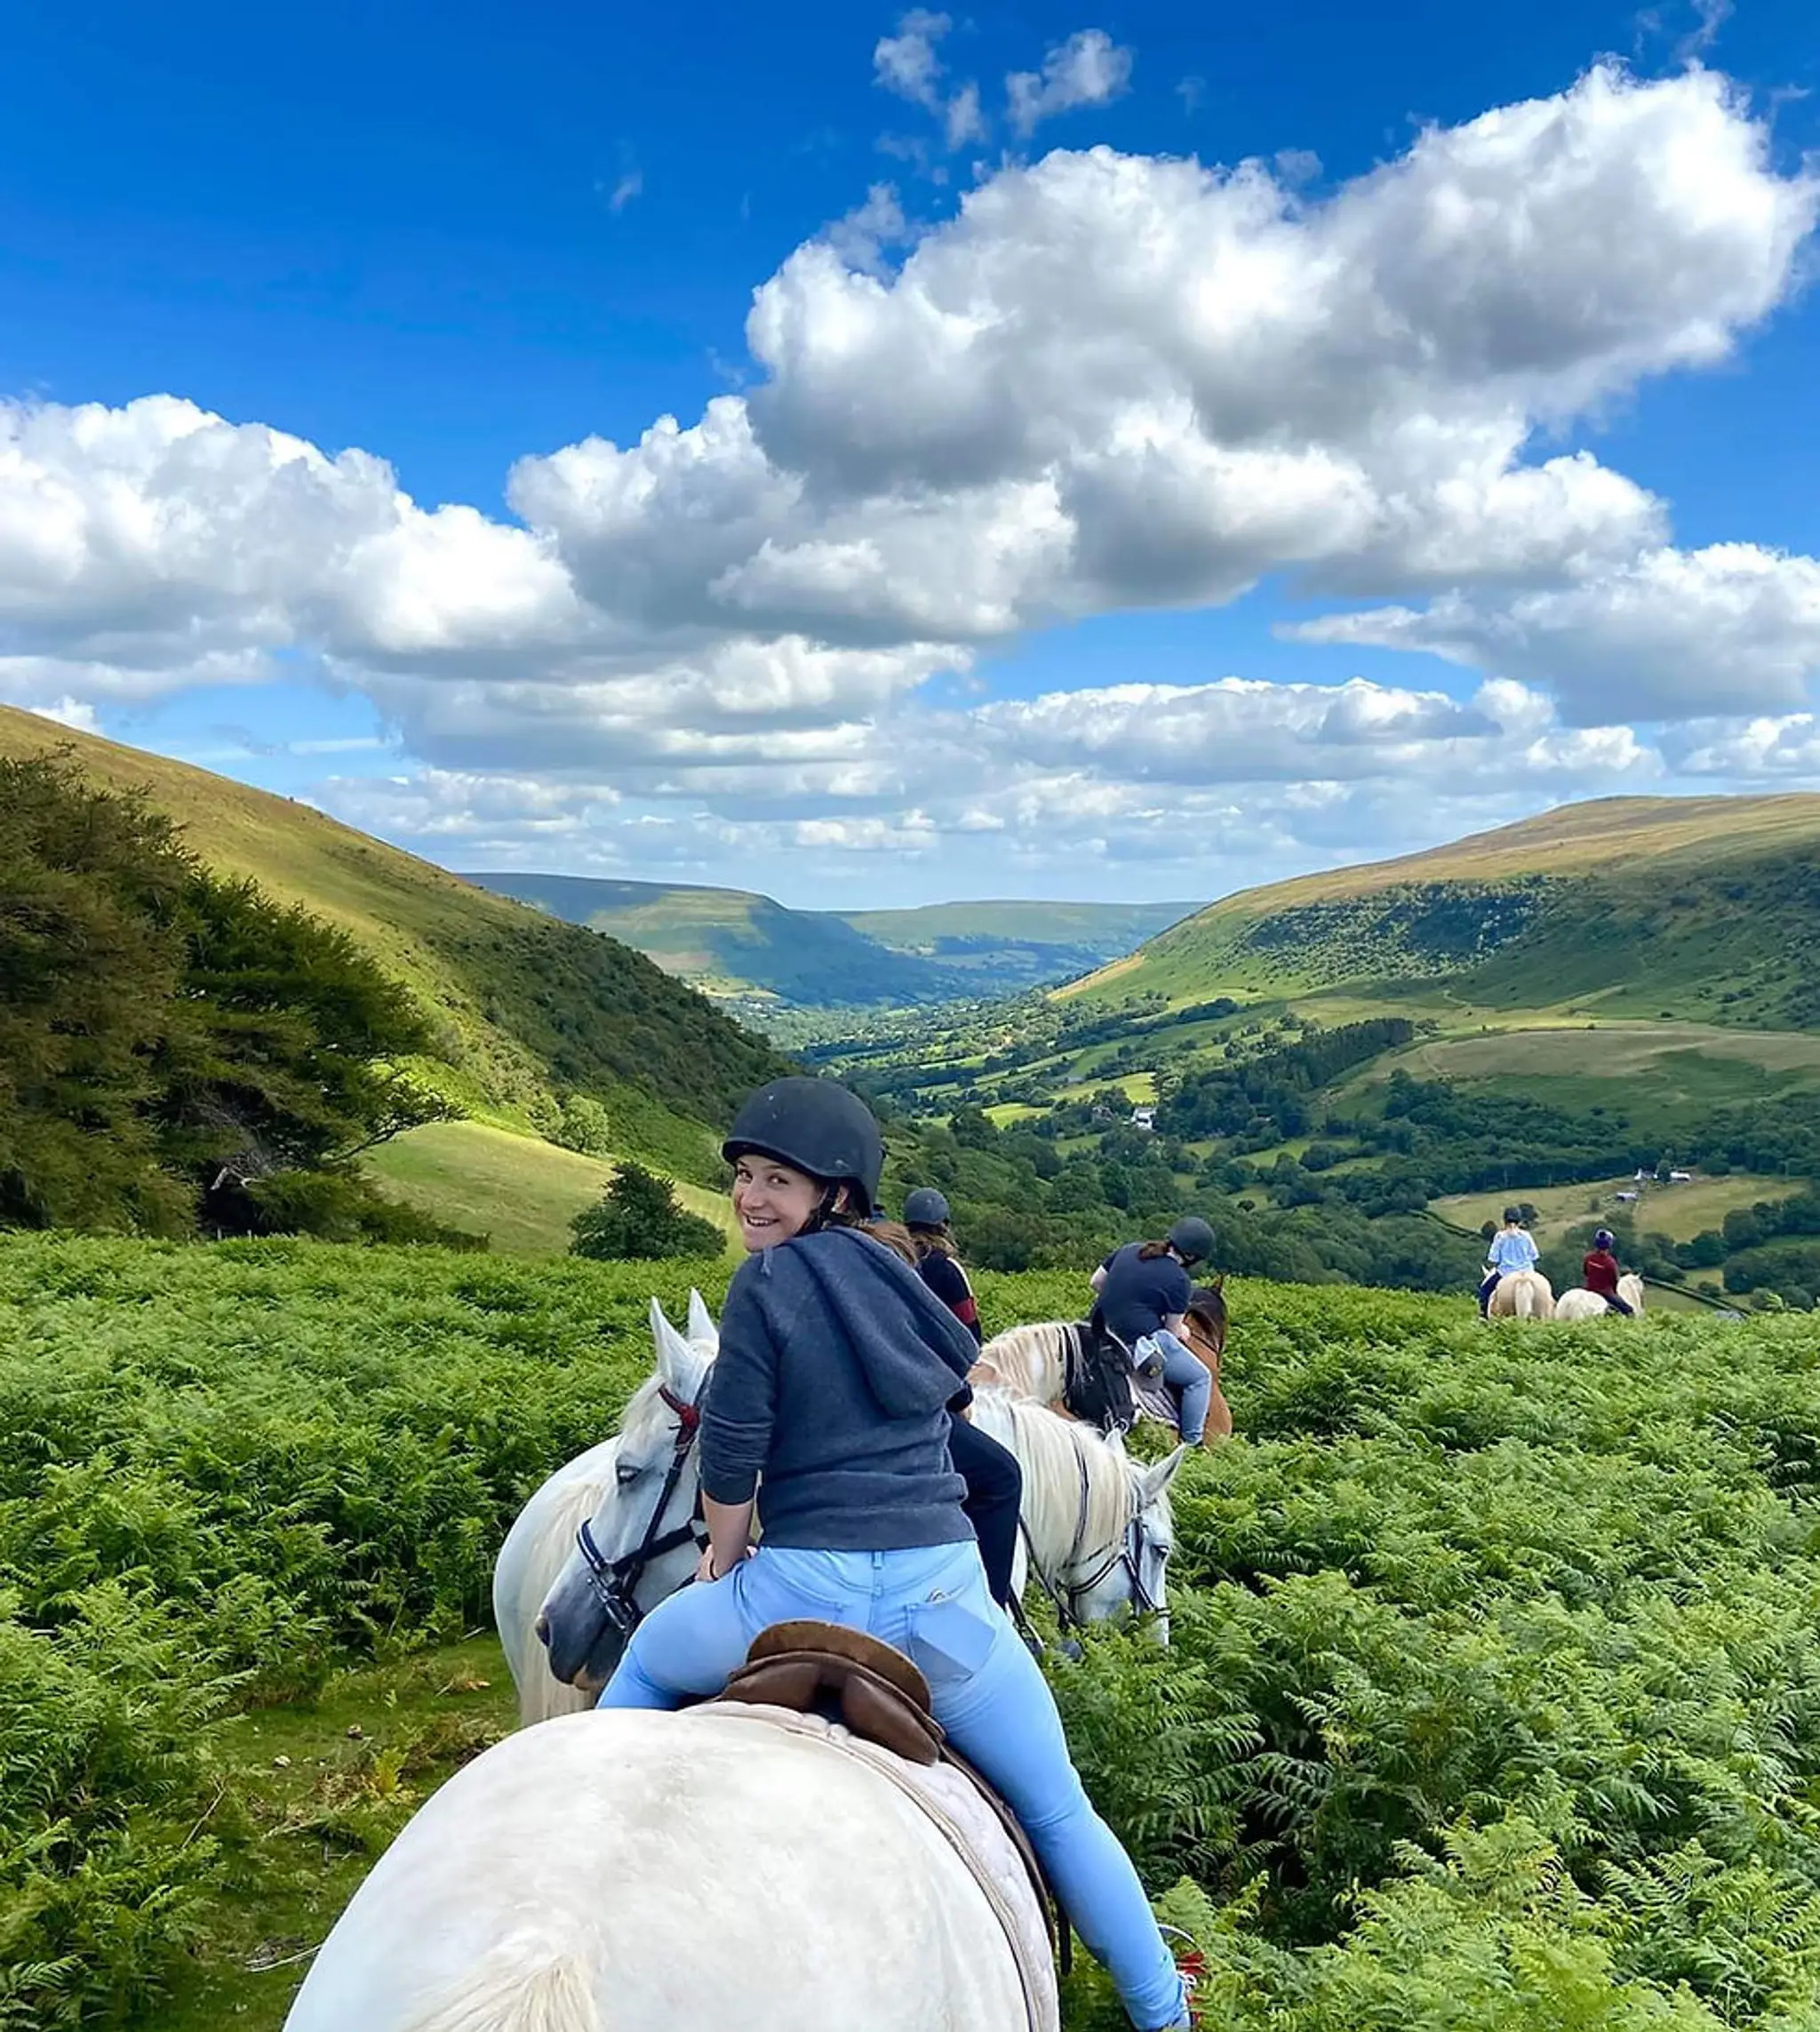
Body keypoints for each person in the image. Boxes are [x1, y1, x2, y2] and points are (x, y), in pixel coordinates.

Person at [596, 1076, 1198, 2032]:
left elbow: (734, 1445)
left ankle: (591, 1854)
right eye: (745, 1176)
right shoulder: (903, 1275)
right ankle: (1163, 2010)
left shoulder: (763, 1282)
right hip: (944, 1607)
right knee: (1056, 1813)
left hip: (797, 1594)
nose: (751, 1196)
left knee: (639, 1668)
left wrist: (721, 1557)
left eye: (776, 1181)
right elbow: (956, 1396)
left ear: (832, 1193)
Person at [902, 1187, 1023, 1615]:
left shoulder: (891, 1256)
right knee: (1002, 1476)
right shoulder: (948, 1269)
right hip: (927, 1393)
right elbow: (968, 1341)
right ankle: (991, 1610)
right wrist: (962, 1395)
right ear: (944, 1226)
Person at [1089, 1219, 1218, 1449]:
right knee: (1200, 1378)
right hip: (1132, 1344)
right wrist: (1184, 1330)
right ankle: (1192, 1444)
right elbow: (1172, 1330)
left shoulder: (1129, 1249)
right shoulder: (1179, 1280)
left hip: (1094, 1330)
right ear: (1191, 1257)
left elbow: (1096, 1282)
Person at [1479, 1206, 1539, 1316]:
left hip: (1506, 1273)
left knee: (1484, 1290)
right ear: (1519, 1221)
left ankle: (1483, 1316)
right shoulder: (1526, 1236)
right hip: (1528, 1272)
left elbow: (1494, 1258)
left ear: (1505, 1220)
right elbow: (1534, 1255)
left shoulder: (1500, 1237)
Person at [1582, 1228, 1635, 1316]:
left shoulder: (1589, 1258)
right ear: (1609, 1244)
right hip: (1606, 1293)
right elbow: (1614, 1281)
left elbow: (1586, 1273)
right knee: (1629, 1310)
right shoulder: (1610, 1262)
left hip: (1589, 1290)